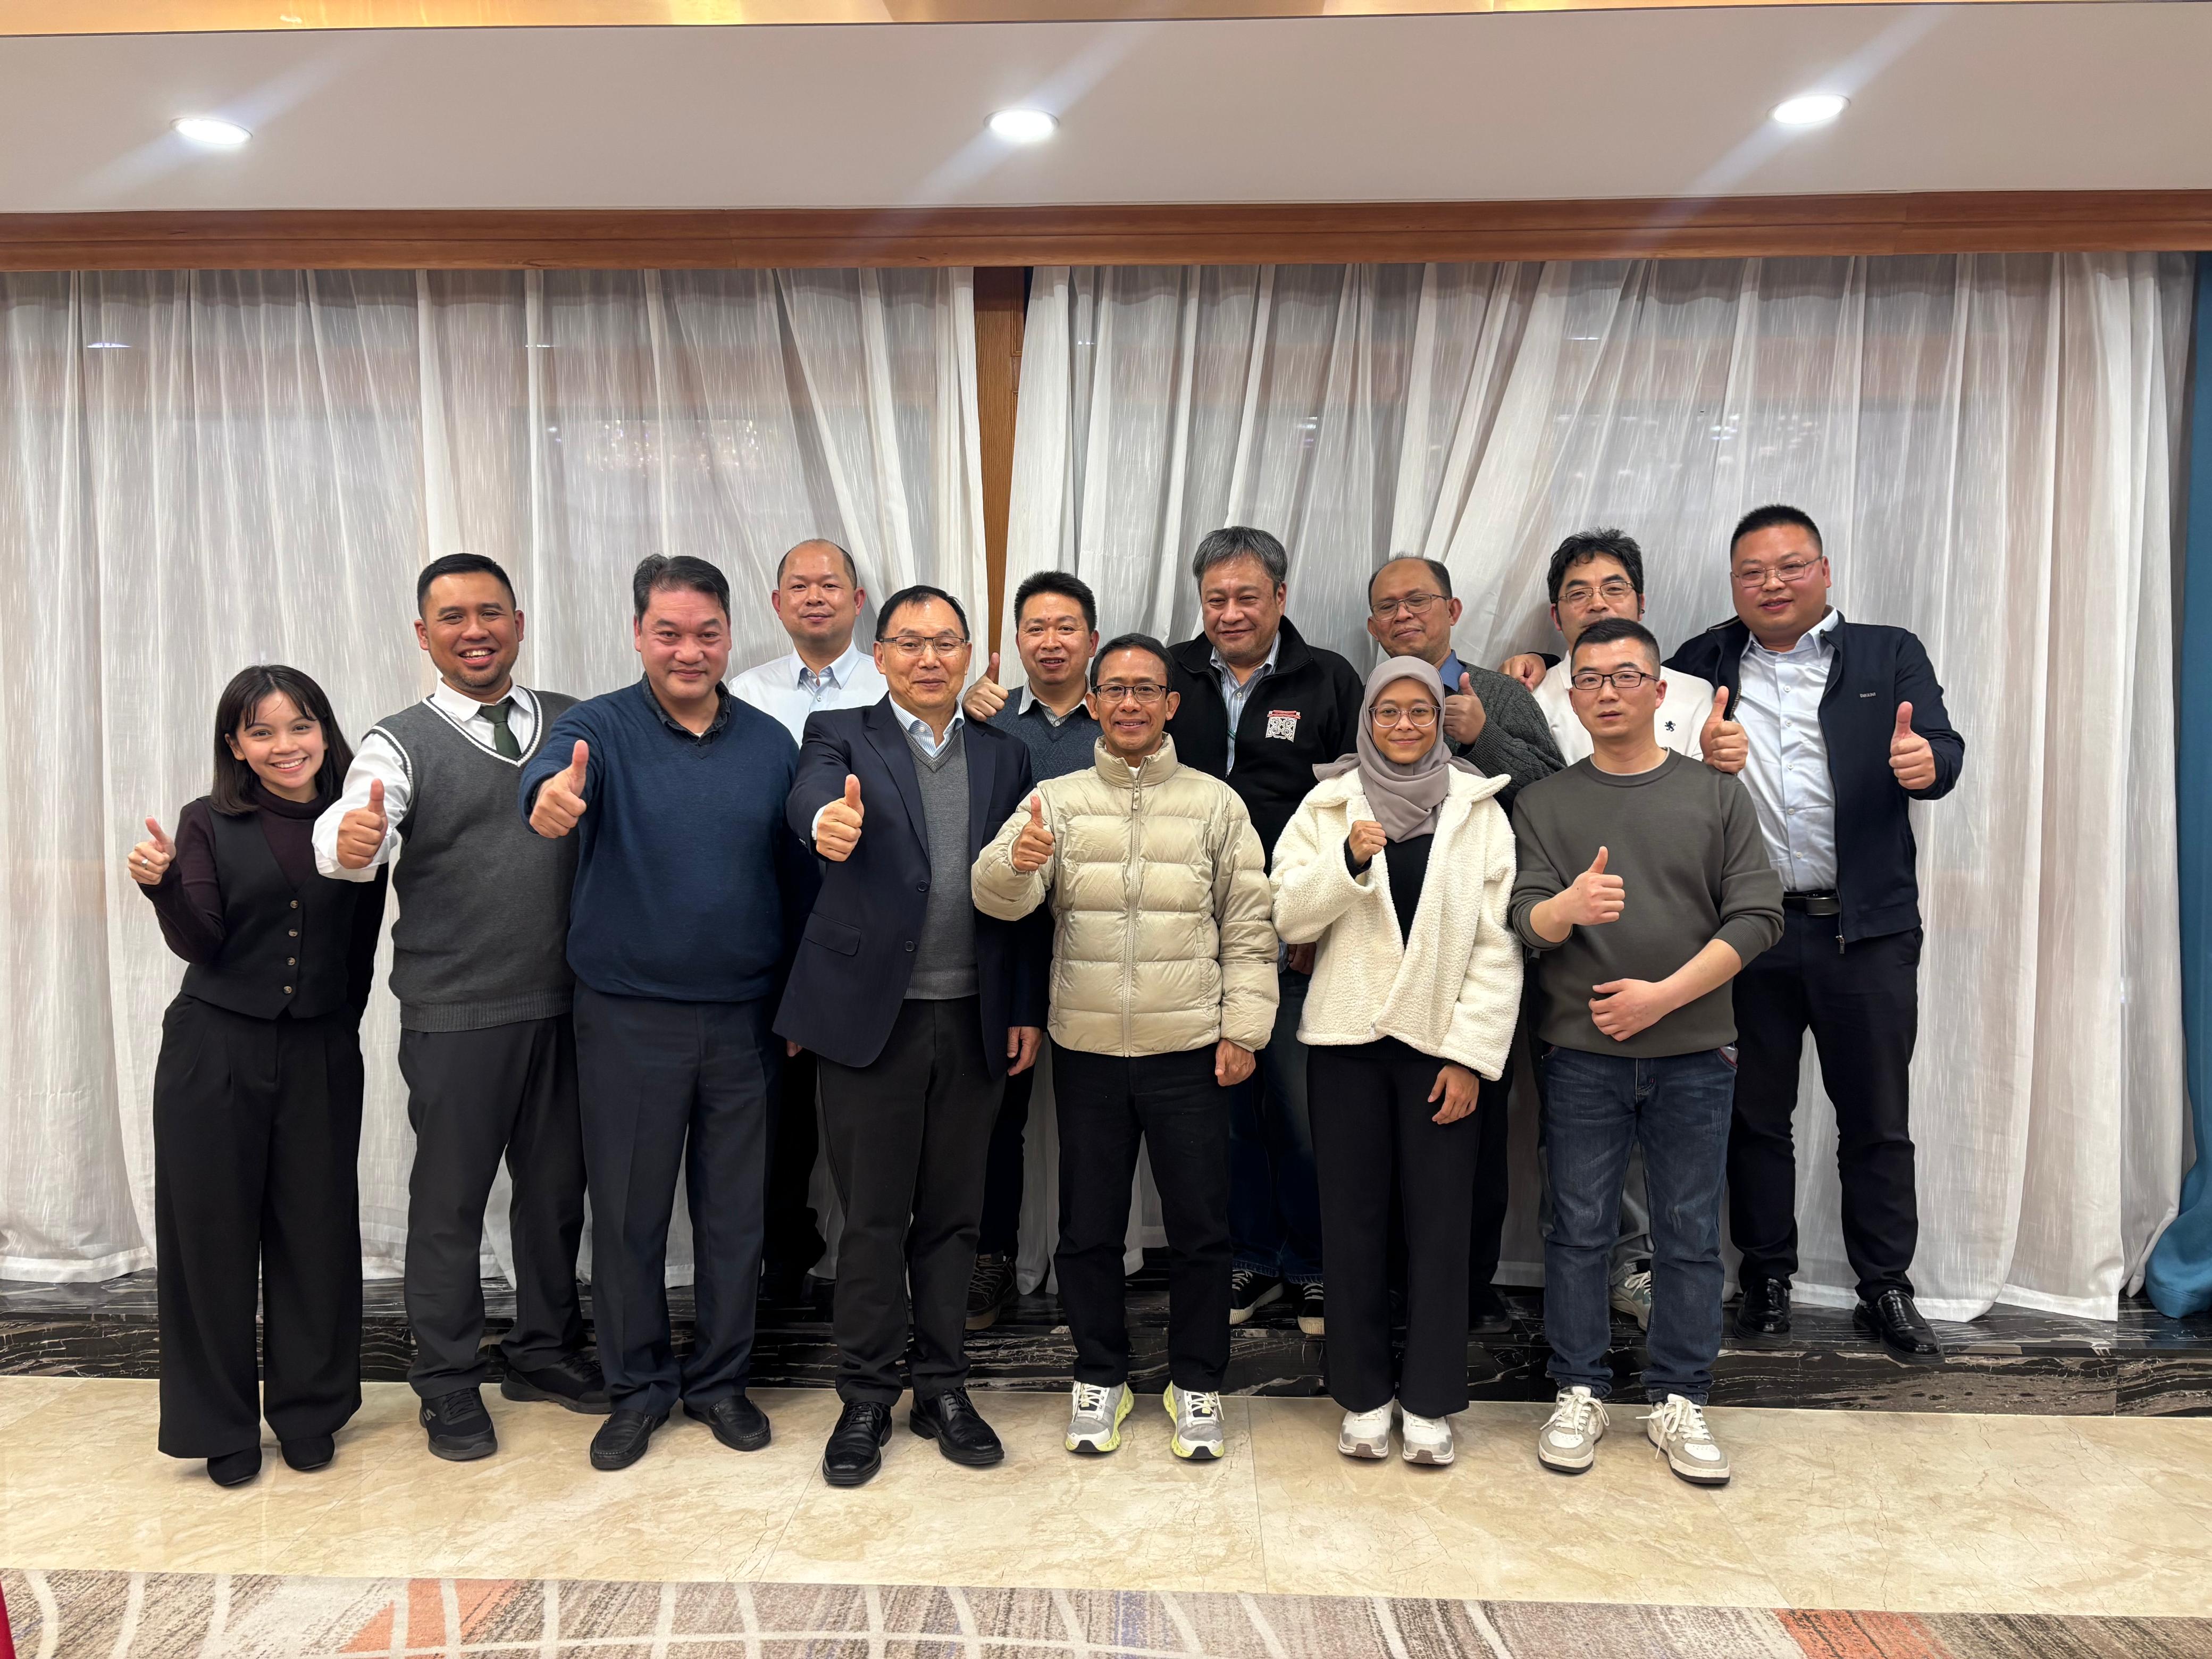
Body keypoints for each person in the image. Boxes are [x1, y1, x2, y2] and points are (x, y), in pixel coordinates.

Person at [519, 554, 818, 1472]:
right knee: (630, 1217)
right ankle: (639, 1387)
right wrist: (549, 798)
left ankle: (721, 1382)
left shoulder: (770, 742)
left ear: (729, 636)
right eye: (669, 633)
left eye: (707, 634)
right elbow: (548, 779)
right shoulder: (596, 729)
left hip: (745, 1021)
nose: (689, 651)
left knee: (736, 1217)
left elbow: (797, 881)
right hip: (628, 1019)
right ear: (638, 634)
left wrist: (798, 1002)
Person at [313, 553, 604, 1464]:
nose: (474, 631)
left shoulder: (574, 721)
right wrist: (351, 839)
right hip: (457, 1015)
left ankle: (543, 1351)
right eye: (452, 618)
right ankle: (444, 1381)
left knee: (554, 1198)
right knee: (449, 1206)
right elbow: (355, 826)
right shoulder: (397, 741)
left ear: (518, 622)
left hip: (571, 1008)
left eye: (490, 613)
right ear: (423, 634)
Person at [1665, 505, 1963, 1363]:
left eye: (1790, 566)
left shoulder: (1888, 652)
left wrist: (1927, 765)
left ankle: (1885, 1287)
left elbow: (1943, 749)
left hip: (1865, 929)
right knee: (1754, 1117)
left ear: (1824, 571)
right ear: (1734, 584)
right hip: (1746, 930)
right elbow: (1636, 742)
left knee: (1876, 1117)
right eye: (1752, 572)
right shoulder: (1702, 663)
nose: (1772, 584)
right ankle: (1766, 1275)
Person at [973, 633, 1276, 1461]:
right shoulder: (1058, 800)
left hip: (1191, 1048)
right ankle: (1099, 1373)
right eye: (1116, 689)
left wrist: (1245, 1029)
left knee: (1201, 1229)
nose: (1132, 703)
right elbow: (996, 897)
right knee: (1088, 1228)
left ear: (1172, 704)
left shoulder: (1216, 805)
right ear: (1094, 702)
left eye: (1148, 689)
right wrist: (1016, 864)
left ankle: (1197, 1381)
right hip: (1089, 1048)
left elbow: (1250, 925)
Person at [778, 584, 1049, 1488]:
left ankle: (942, 1386)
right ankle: (865, 1393)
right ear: (883, 654)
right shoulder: (839, 735)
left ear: (968, 654)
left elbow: (1021, 891)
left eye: (946, 643)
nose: (929, 659)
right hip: (871, 1021)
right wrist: (827, 822)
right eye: (909, 642)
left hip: (974, 1015)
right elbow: (810, 798)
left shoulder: (1007, 754)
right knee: (871, 1218)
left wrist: (1022, 1006)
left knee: (954, 1216)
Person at [1510, 617, 1781, 1486]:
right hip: (1580, 1055)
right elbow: (1524, 920)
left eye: (1626, 676)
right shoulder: (1546, 804)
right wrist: (1567, 909)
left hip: (1696, 1052)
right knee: (1578, 1229)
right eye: (1590, 679)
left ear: (1660, 691)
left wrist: (1663, 998)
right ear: (1572, 695)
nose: (1608, 692)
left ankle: (1680, 1397)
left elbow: (1758, 916)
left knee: (1689, 1233)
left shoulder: (1716, 795)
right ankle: (1578, 1388)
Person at [129, 665, 388, 1488]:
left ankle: (311, 1411)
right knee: (209, 1240)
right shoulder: (206, 822)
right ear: (236, 746)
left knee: (317, 1233)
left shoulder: (359, 821)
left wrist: (336, 1038)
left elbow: (359, 949)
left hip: (320, 1051)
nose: (286, 745)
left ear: (324, 732)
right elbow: (201, 942)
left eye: (300, 726)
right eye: (263, 731)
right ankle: (220, 1424)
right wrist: (164, 887)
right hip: (213, 1051)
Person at [1271, 656, 1523, 1467]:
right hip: (1346, 1047)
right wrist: (1346, 861)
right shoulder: (1328, 803)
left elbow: (1497, 946)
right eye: (1389, 712)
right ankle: (1363, 1393)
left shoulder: (1479, 808)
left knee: (1441, 1228)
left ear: (1440, 720)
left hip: (1438, 1050)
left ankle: (1430, 1399)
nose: (1405, 725)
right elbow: (1287, 914)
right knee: (1352, 1224)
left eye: (1420, 711)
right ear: (1367, 721)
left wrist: (1470, 1056)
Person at [1502, 530, 1731, 1336]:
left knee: (1682, 1178)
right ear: (1555, 614)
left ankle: (1652, 1297)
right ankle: (1592, 1305)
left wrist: (1726, 761)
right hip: (1571, 963)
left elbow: (1734, 857)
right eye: (1577, 592)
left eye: (1612, 589)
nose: (1595, 603)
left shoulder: (1697, 696)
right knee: (1576, 1154)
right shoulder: (1529, 695)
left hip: (1682, 963)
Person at [1164, 527, 1365, 1337]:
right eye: (1216, 598)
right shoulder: (1172, 674)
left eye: (1248, 597)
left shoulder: (1328, 678)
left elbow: (1355, 802)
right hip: (1188, 938)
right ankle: (1248, 1256)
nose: (1231, 613)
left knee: (1302, 1114)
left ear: (1281, 596)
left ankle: (1312, 1265)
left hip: (1294, 934)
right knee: (1225, 1117)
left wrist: (1321, 917)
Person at [1364, 555, 1562, 1335]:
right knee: (1387, 1127)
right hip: (1382, 940)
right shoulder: (1372, 695)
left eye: (1418, 600)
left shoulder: (1501, 693)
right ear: (1374, 625)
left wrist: (1483, 738)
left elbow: (1556, 793)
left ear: (1452, 609)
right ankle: (1390, 1284)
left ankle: (1469, 1286)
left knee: (1475, 1117)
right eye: (1388, 606)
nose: (1404, 615)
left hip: (1482, 938)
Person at [728, 538, 887, 1303]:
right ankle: (781, 1257)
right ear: (777, 603)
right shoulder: (743, 693)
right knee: (777, 1107)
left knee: (872, 1105)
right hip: (773, 916)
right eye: (799, 586)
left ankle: (876, 1267)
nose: (815, 596)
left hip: (874, 917)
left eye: (830, 585)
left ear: (859, 601)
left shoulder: (895, 681)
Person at [959, 569, 1105, 1330]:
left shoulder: (1119, 715)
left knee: (1096, 1117)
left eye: (1066, 627)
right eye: (1035, 628)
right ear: (1016, 640)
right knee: (996, 1111)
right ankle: (990, 1256)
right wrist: (957, 714)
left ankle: (1093, 1262)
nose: (1051, 642)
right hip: (1004, 937)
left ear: (1093, 639)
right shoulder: (985, 720)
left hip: (1097, 942)